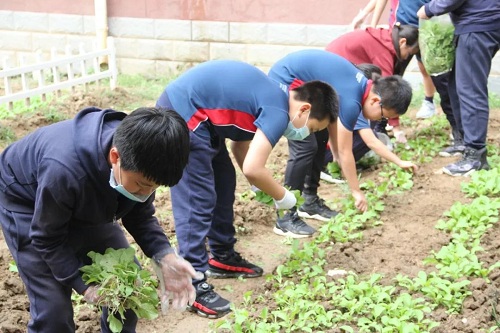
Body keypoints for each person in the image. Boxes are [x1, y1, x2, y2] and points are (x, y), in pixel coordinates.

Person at [155, 59, 338, 318]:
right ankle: (192, 283)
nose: (306, 134)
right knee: (198, 197)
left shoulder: (273, 97)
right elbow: (254, 167)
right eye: (312, 128)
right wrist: (283, 197)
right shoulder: (278, 110)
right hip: (184, 112)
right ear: (304, 109)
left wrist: (256, 186)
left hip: (204, 120)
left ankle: (221, 256)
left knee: (224, 180)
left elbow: (240, 147)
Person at [0, 107, 198, 333]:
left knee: (128, 289)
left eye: (153, 188)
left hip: (81, 193)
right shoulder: (64, 170)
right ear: (115, 157)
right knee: (53, 310)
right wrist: (83, 286)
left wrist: (165, 255)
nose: (146, 193)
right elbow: (47, 238)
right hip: (26, 201)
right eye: (142, 186)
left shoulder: (141, 157)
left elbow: (140, 215)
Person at [268, 50, 413, 237]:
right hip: (287, 81)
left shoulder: (360, 87)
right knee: (305, 146)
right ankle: (285, 216)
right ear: (376, 101)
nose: (380, 120)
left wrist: (335, 150)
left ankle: (309, 201)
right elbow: (347, 152)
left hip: (306, 88)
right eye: (384, 116)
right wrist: (356, 191)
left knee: (319, 135)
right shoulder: (353, 98)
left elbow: (333, 122)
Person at [418, 0, 500, 176]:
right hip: (480, 21)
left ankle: (475, 156)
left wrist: (429, 8)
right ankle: (465, 142)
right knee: (458, 85)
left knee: (470, 89)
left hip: (478, 24)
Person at [322, 63, 418, 182]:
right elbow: (371, 141)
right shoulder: (355, 103)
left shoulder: (350, 94)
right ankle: (328, 165)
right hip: (324, 150)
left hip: (326, 144)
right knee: (368, 137)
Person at [325, 23, 419, 145]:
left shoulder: (386, 39)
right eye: (409, 52)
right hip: (335, 69)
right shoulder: (382, 51)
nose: (407, 57)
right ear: (402, 42)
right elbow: (389, 95)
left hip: (339, 64)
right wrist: (395, 126)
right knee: (372, 110)